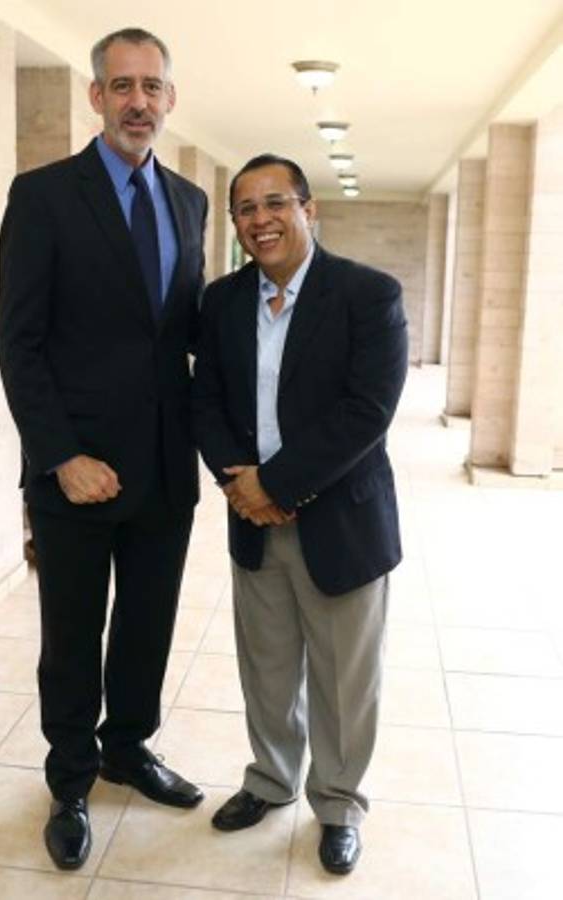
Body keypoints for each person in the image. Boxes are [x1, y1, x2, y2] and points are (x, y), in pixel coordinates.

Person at [0, 28, 206, 870]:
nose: (137, 101)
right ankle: (71, 778)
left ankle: (128, 748)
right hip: (76, 471)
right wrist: (58, 455)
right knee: (73, 634)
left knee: (148, 626)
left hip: (163, 465)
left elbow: (188, 335)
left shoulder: (190, 202)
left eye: (151, 86)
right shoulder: (44, 194)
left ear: (169, 99)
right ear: (94, 96)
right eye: (121, 85)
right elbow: (20, 342)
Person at [192, 154, 408, 875]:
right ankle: (271, 781)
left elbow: (365, 412)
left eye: (275, 203)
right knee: (268, 666)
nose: (261, 220)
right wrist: (240, 485)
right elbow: (207, 400)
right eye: (246, 208)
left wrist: (277, 484)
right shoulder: (220, 302)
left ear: (309, 210)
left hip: (339, 521)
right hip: (251, 518)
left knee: (345, 679)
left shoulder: (367, 294)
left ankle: (339, 803)